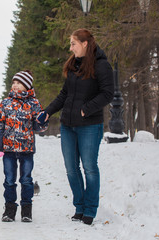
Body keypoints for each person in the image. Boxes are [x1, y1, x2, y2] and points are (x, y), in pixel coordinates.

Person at [37, 29, 114, 225]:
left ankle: (90, 209)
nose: (70, 48)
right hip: (68, 126)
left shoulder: (102, 65)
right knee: (71, 169)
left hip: (89, 125)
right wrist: (48, 111)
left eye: (73, 44)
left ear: (85, 44)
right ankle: (79, 207)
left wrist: (86, 109)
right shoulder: (73, 65)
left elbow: (107, 94)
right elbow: (64, 94)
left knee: (89, 168)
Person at [0, 70, 48, 223]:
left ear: (27, 86)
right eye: (14, 82)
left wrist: (42, 122)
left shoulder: (34, 103)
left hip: (26, 149)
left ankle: (26, 210)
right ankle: (9, 210)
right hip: (8, 149)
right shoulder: (5, 103)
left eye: (19, 83)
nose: (15, 85)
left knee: (26, 179)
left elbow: (38, 126)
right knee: (9, 179)